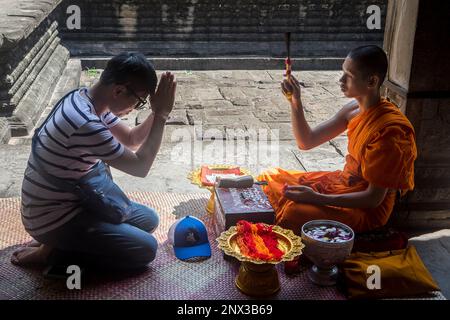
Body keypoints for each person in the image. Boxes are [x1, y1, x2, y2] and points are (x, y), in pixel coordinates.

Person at [11, 52, 177, 270]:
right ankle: (54, 253)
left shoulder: (85, 99)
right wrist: (162, 116)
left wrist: (156, 112)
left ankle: (64, 243)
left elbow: (131, 139)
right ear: (118, 90)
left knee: (149, 220)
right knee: (146, 249)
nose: (136, 108)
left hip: (78, 201)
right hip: (51, 219)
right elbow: (140, 166)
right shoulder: (85, 123)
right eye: (138, 102)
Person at [258, 45, 417, 235]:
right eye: (343, 73)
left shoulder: (389, 131)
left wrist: (316, 198)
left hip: (365, 208)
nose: (341, 80)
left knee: (293, 213)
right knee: (269, 178)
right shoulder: (352, 110)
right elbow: (306, 141)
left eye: (348, 76)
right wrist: (295, 101)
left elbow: (372, 199)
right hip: (343, 183)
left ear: (372, 81)